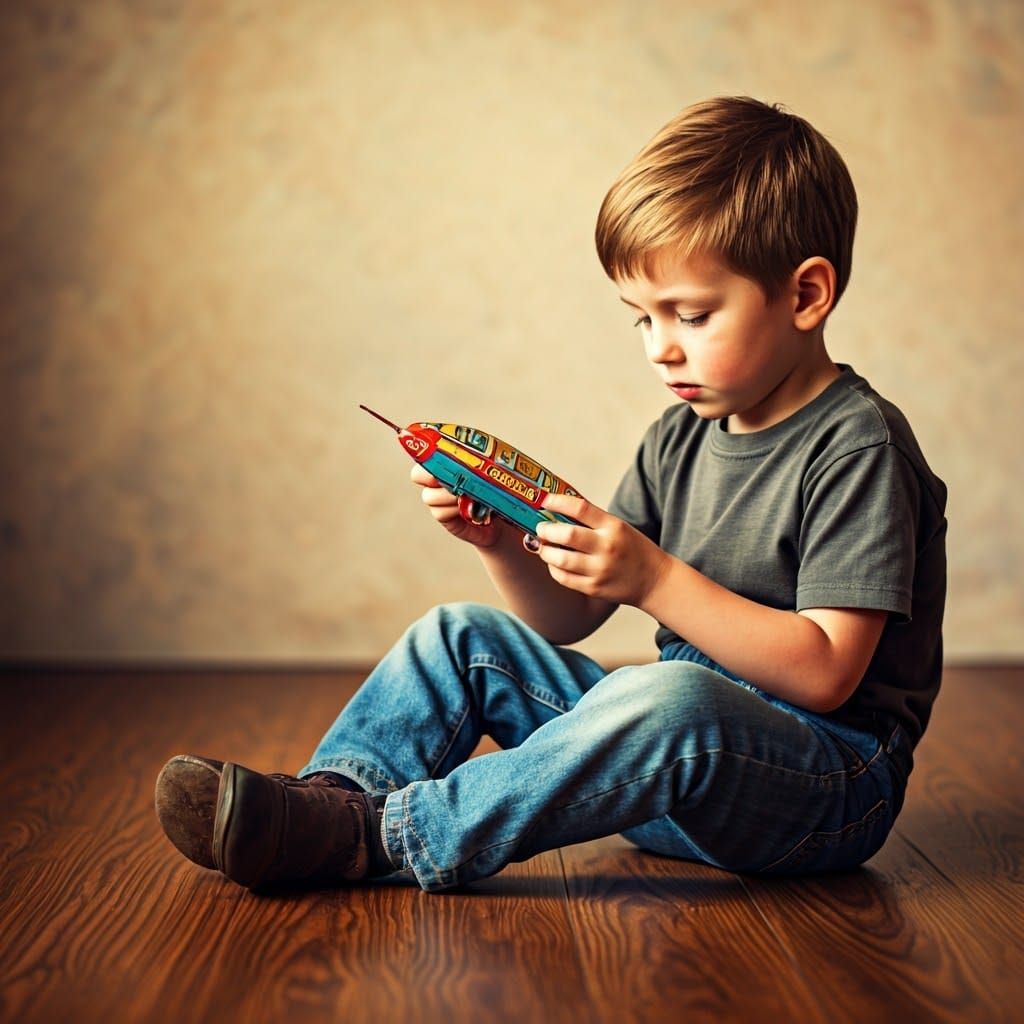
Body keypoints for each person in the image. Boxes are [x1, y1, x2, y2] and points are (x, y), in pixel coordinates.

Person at [155, 96, 947, 892]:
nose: (661, 347)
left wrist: (655, 578)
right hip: (661, 771)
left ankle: (382, 837)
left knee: (667, 697)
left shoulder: (858, 447)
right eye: (641, 319)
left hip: (819, 793)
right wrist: (502, 544)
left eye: (693, 314)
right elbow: (570, 620)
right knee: (459, 635)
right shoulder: (679, 437)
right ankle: (330, 807)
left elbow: (825, 674)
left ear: (807, 296)